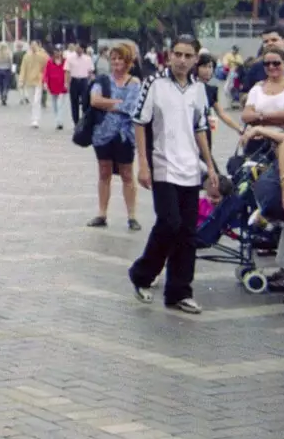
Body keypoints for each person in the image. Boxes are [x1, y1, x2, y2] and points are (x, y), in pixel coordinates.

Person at [128, 36, 218, 315]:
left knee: (187, 232)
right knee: (169, 223)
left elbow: (200, 127)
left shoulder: (198, 89)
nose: (181, 60)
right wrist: (142, 163)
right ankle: (142, 273)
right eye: (177, 54)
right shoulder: (154, 83)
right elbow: (140, 122)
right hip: (163, 165)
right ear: (170, 55)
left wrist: (210, 166)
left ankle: (179, 291)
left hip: (190, 168)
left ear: (195, 59)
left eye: (187, 55)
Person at [88, 42, 144, 230]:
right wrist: (116, 102)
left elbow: (131, 107)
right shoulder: (102, 80)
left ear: (128, 61)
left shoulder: (134, 83)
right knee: (104, 172)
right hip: (102, 135)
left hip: (124, 136)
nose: (117, 62)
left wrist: (109, 104)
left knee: (127, 173)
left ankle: (132, 215)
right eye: (113, 59)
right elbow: (94, 100)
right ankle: (102, 213)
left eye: (120, 58)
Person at [21, 40, 49, 128]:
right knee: (32, 100)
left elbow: (47, 66)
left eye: (35, 45)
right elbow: (23, 68)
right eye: (32, 45)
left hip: (38, 80)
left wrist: (46, 80)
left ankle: (35, 119)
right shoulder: (26, 56)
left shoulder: (42, 56)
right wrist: (21, 80)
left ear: (38, 46)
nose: (33, 47)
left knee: (37, 100)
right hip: (29, 81)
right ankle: (33, 118)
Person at [43, 45, 69, 132]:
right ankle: (57, 118)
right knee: (54, 104)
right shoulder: (50, 61)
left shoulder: (65, 61)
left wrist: (67, 82)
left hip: (62, 85)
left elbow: (68, 72)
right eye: (56, 50)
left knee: (60, 104)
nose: (58, 52)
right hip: (53, 85)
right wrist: (45, 83)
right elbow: (46, 73)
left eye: (59, 50)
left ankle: (59, 121)